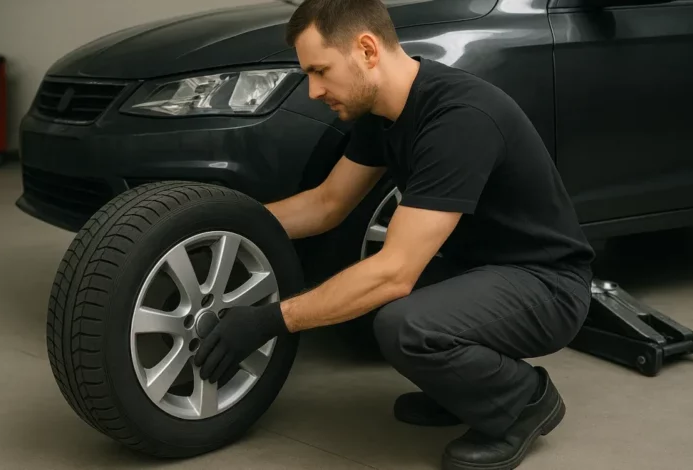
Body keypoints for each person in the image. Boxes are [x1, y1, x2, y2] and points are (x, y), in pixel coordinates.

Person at [195, 0, 595, 468]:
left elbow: (395, 274)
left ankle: (522, 401)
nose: (313, 91)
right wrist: (221, 223)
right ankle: (466, 391)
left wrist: (267, 321)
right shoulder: (383, 114)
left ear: (366, 49)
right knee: (353, 294)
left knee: (402, 321)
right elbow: (327, 204)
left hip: (547, 285)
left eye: (320, 71)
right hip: (478, 270)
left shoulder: (458, 119)